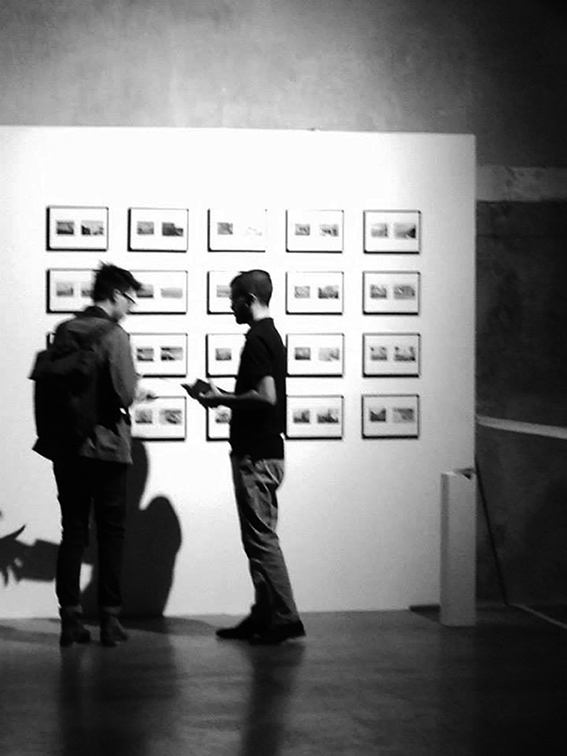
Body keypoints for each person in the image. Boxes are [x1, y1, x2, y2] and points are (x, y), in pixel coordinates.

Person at [39, 264, 151, 647]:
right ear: (117, 295)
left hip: (68, 446)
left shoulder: (65, 330)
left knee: (73, 531)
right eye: (131, 299)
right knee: (111, 534)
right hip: (107, 448)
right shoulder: (115, 335)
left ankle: (70, 620)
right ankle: (110, 620)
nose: (131, 306)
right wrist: (141, 392)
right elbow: (124, 393)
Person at [194, 270, 305, 645]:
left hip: (256, 455)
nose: (231, 305)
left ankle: (284, 617)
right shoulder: (270, 335)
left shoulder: (258, 338)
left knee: (261, 539)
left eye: (234, 298)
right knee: (257, 539)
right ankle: (264, 614)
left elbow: (267, 396)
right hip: (265, 451)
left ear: (250, 299)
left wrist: (219, 398)